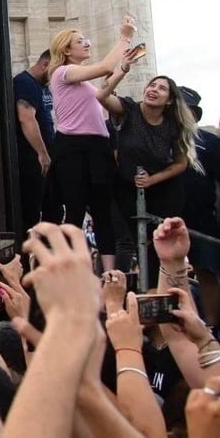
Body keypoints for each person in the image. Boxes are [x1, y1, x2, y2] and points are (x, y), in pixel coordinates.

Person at [46, 16, 137, 271]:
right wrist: (125, 38)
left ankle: (109, 275)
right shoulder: (63, 73)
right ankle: (71, 271)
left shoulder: (83, 81)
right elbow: (106, 67)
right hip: (73, 147)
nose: (86, 44)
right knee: (75, 209)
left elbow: (103, 90)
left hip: (98, 146)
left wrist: (125, 67)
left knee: (103, 211)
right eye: (80, 41)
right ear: (66, 49)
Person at [95, 64, 201, 270]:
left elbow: (181, 163)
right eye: (152, 85)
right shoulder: (129, 109)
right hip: (126, 185)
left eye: (162, 88)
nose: (154, 89)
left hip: (162, 189)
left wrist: (152, 180)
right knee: (128, 238)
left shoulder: (174, 125)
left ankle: (157, 289)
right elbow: (101, 97)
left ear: (169, 100)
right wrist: (122, 71)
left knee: (157, 244)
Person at [175, 86, 220, 325]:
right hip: (164, 214)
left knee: (206, 271)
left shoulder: (210, 142)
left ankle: (211, 326)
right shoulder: (154, 138)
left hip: (201, 216)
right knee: (168, 274)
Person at [13, 49, 55, 232]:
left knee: (53, 210)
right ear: (45, 64)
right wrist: (42, 153)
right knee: (30, 213)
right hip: (32, 158)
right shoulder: (24, 82)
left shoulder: (43, 86)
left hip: (45, 159)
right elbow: (26, 118)